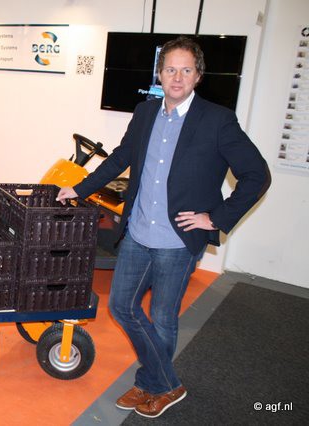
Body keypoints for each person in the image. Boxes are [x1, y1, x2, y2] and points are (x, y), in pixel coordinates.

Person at [57, 36, 270, 418]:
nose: (177, 77)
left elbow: (257, 174)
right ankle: (165, 383)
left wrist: (215, 218)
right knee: (122, 307)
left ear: (198, 75)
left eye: (186, 70)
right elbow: (120, 158)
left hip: (177, 240)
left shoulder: (217, 120)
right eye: (170, 69)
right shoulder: (145, 112)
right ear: (160, 74)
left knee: (163, 317)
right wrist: (79, 187)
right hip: (138, 232)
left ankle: (151, 382)